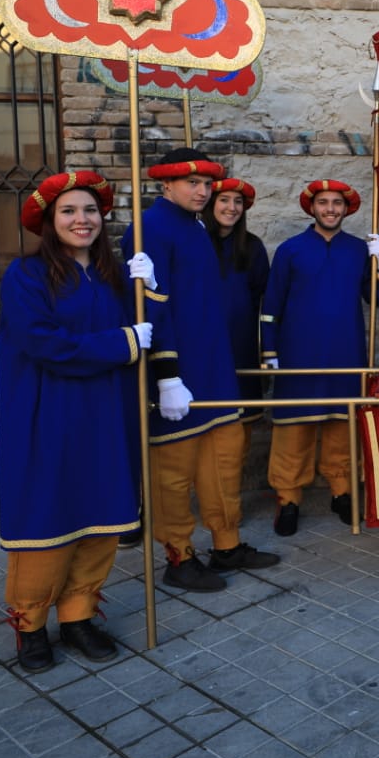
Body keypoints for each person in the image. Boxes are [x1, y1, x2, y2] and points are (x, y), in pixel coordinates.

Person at [0, 170, 147, 672]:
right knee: (49, 517)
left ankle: (79, 615)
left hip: (105, 411)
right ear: (49, 220)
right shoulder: (25, 275)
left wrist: (153, 286)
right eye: (69, 211)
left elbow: (153, 326)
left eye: (89, 211)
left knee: (101, 517)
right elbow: (44, 343)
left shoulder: (114, 274)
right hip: (49, 413)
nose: (81, 220)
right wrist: (121, 344)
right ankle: (30, 626)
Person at [124, 148, 279, 593]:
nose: (202, 191)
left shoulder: (193, 227)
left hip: (215, 365)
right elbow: (153, 310)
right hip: (179, 373)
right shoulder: (148, 228)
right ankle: (179, 554)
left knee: (224, 461)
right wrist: (167, 374)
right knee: (175, 472)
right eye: (192, 183)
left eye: (207, 184)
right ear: (166, 185)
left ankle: (226, 543)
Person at [261, 178, 379, 535]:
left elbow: (376, 299)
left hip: (345, 348)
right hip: (297, 352)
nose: (330, 208)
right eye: (324, 202)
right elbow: (271, 304)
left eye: (337, 202)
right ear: (312, 207)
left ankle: (342, 491)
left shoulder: (357, 249)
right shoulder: (290, 249)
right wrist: (269, 350)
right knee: (294, 427)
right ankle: (288, 498)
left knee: (342, 424)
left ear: (346, 208)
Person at [203, 177, 270, 423]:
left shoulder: (253, 247)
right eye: (224, 200)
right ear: (211, 203)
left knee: (241, 420)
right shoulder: (195, 244)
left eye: (238, 201)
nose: (232, 207)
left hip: (240, 342)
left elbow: (260, 298)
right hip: (203, 341)